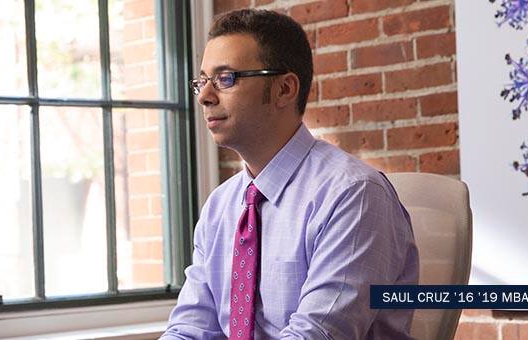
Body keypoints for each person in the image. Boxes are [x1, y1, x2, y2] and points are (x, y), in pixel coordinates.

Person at [161, 9, 419, 340]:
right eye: (203, 81)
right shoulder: (220, 207)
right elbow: (190, 329)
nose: (204, 97)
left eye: (226, 79)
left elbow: (316, 335)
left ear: (285, 89)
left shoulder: (354, 194)